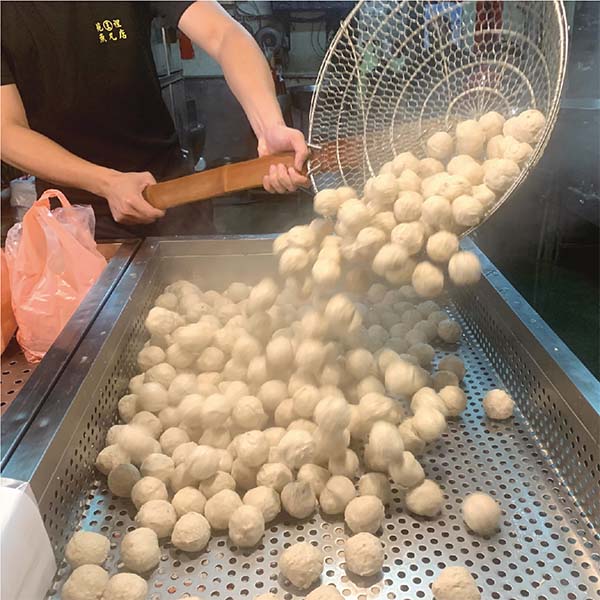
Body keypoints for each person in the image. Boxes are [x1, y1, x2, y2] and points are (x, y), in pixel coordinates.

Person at [0, 1, 309, 238]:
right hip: (79, 215)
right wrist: (107, 182)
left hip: (171, 190)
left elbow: (224, 34)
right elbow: (6, 130)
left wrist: (270, 126)